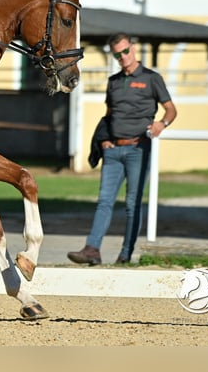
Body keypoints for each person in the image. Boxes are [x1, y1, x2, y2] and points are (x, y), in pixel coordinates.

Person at [67, 32, 178, 266]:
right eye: (117, 54)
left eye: (125, 51)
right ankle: (92, 250)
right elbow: (109, 115)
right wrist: (104, 141)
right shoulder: (114, 81)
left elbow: (170, 109)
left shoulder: (151, 78)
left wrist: (162, 124)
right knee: (104, 201)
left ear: (133, 49)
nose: (123, 57)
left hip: (139, 149)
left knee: (132, 204)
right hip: (113, 152)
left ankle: (126, 254)